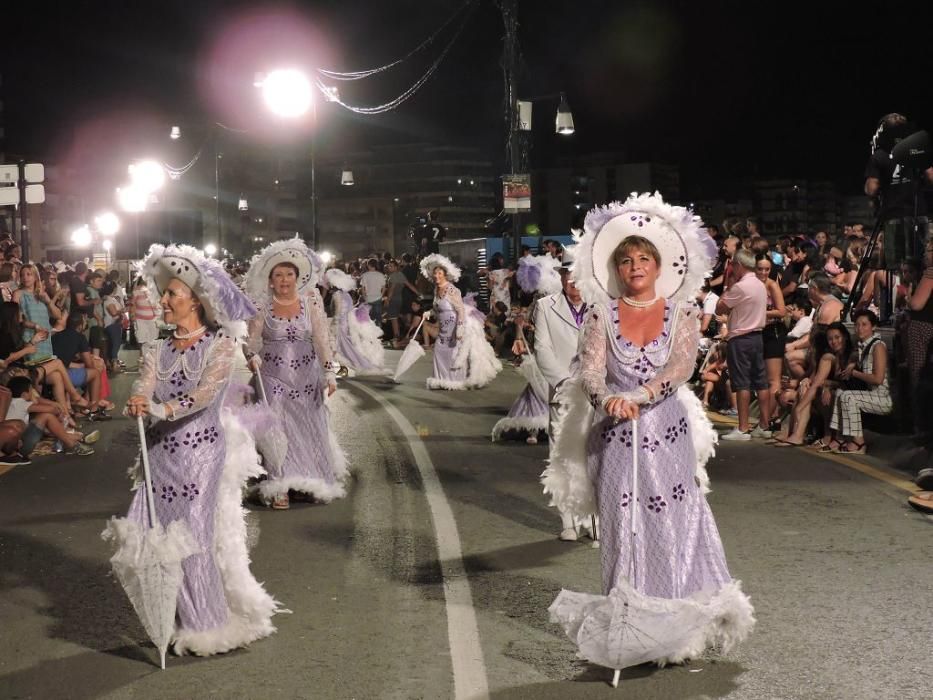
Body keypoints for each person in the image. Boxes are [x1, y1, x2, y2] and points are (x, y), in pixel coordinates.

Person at [544, 194, 753, 672]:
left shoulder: (682, 313)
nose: (634, 266)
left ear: (659, 265)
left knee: (672, 524)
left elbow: (681, 367)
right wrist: (607, 400)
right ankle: (629, 624)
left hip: (667, 432)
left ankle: (677, 627)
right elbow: (591, 373)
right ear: (615, 269)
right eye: (625, 259)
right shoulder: (601, 314)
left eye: (643, 258)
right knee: (623, 528)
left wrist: (641, 395)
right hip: (614, 436)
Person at [109, 243, 281, 656]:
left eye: (172, 294)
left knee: (193, 537)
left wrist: (162, 407)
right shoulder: (158, 347)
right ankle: (174, 619)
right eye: (164, 293)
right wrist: (138, 399)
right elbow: (144, 383)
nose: (163, 300)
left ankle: (206, 623)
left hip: (200, 456)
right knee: (159, 539)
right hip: (159, 454)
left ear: (196, 302)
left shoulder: (220, 345)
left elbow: (205, 394)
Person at [245, 239, 349, 510]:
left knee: (307, 428)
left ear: (298, 276)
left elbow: (322, 339)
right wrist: (250, 355)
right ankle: (279, 485)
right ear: (270, 280)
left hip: (306, 377)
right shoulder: (262, 306)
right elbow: (250, 340)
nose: (284, 280)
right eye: (278, 275)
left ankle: (308, 481)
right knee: (276, 429)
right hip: (272, 378)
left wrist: (329, 373)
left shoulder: (311, 301)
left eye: (289, 274)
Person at [534, 261, 590, 540]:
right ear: (562, 276)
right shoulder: (546, 306)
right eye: (569, 275)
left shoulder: (600, 304)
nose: (574, 282)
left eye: (579, 275)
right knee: (562, 456)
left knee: (593, 456)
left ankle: (593, 520)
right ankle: (568, 520)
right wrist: (563, 382)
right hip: (561, 393)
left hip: (595, 394)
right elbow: (542, 349)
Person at [420, 253, 501, 390]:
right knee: (439, 351)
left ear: (445, 274)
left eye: (439, 273)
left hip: (454, 326)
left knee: (454, 355)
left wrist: (460, 328)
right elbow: (438, 307)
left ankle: (456, 381)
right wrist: (429, 313)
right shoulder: (436, 290)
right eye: (435, 274)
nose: (437, 276)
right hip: (443, 328)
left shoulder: (452, 290)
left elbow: (461, 310)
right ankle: (441, 379)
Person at [717, 249, 772, 439]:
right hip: (758, 336)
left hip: (741, 338)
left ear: (739, 265)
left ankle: (742, 428)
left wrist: (729, 285)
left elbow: (720, 306)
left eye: (732, 264)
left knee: (742, 383)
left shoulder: (740, 286)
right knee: (761, 382)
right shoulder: (760, 284)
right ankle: (764, 425)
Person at [772, 322, 851, 447]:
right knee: (801, 389)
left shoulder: (830, 357)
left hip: (842, 394)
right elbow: (812, 379)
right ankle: (792, 432)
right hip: (832, 391)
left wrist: (825, 386)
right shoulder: (830, 356)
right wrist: (800, 382)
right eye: (830, 339)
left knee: (804, 391)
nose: (834, 341)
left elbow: (819, 383)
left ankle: (798, 434)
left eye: (837, 337)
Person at [827, 310, 891, 453]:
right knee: (840, 393)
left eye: (864, 325)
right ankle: (840, 437)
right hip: (869, 394)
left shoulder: (878, 346)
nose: (859, 329)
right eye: (857, 325)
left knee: (848, 397)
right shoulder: (862, 346)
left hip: (881, 398)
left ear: (873, 327)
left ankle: (859, 443)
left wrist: (854, 372)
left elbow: (878, 379)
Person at [4, 375, 96, 457]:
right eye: (31, 390)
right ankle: (71, 444)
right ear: (24, 394)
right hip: (20, 446)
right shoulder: (21, 403)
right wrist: (58, 410)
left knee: (43, 422)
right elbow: (51, 410)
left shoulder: (9, 403)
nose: (32, 393)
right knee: (46, 416)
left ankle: (79, 438)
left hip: (12, 443)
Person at [325, 267, 389, 376]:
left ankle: (349, 367)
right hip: (347, 323)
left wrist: (334, 324)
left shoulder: (337, 295)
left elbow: (338, 311)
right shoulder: (347, 295)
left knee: (341, 347)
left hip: (340, 324)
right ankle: (345, 367)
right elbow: (349, 308)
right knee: (344, 347)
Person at [13, 263, 64, 362]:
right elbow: (16, 320)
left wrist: (48, 300)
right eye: (22, 275)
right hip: (30, 338)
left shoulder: (42, 295)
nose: (25, 277)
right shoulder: (18, 294)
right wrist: (35, 326)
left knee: (50, 371)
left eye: (29, 274)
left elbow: (58, 316)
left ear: (36, 276)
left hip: (45, 339)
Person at [130, 276, 161, 345]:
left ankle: (151, 355)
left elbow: (158, 304)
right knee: (142, 340)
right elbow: (133, 304)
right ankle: (143, 355)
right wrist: (132, 316)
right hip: (140, 320)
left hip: (153, 320)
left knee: (153, 341)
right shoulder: (137, 290)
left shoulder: (154, 289)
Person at [359, 258, 386, 324]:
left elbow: (363, 288)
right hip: (378, 298)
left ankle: (371, 333)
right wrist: (381, 296)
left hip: (368, 299)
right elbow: (384, 287)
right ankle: (379, 332)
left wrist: (365, 297)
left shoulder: (364, 275)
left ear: (368, 265)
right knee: (378, 318)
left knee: (370, 319)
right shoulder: (381, 275)